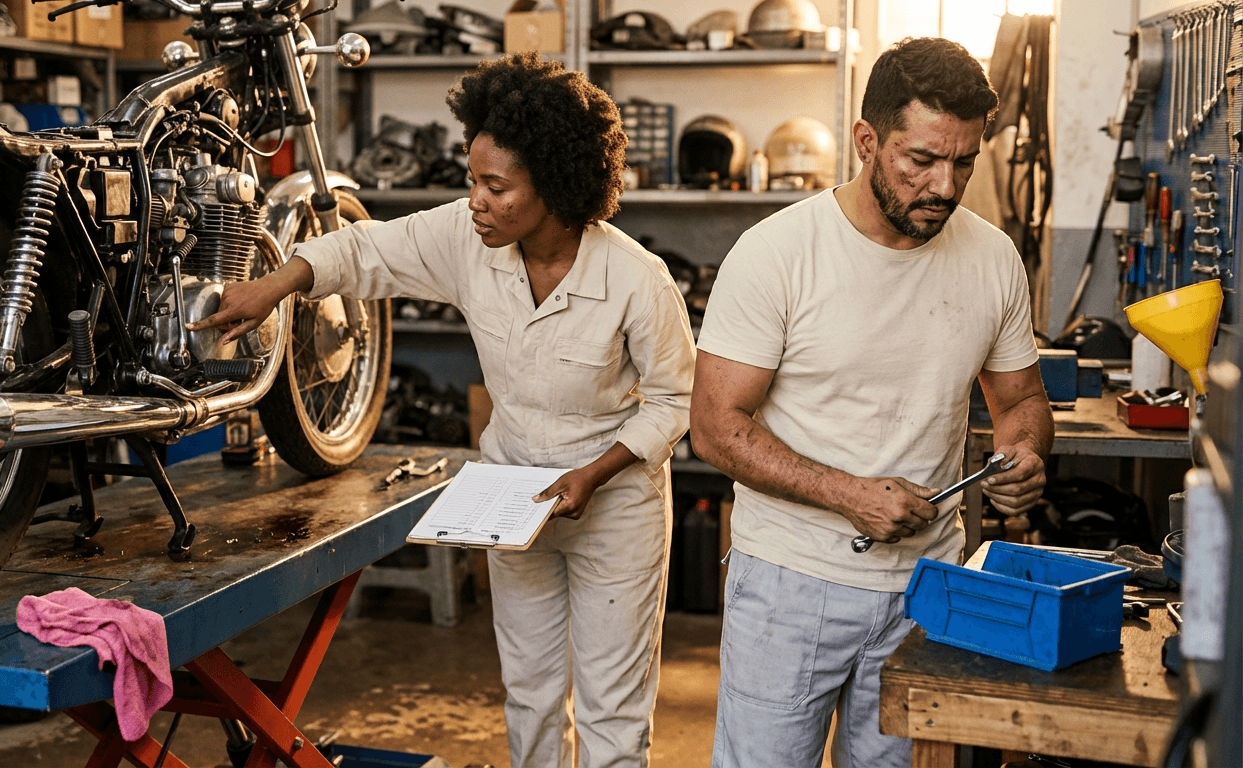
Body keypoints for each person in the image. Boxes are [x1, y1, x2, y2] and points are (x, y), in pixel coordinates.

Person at [190, 52, 696, 768]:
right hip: (516, 494)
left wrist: (595, 472)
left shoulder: (635, 280)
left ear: (554, 185)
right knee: (530, 692)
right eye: (471, 181)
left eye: (496, 187)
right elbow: (367, 249)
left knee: (614, 707)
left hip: (614, 506)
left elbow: (675, 402)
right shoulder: (470, 238)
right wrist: (278, 285)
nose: (477, 202)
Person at [689, 37, 1054, 768]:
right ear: (866, 140)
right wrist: (848, 494)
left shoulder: (992, 259)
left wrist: (1026, 451)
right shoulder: (777, 254)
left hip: (927, 588)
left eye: (963, 163)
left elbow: (1021, 400)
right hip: (791, 585)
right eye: (920, 160)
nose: (944, 187)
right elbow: (715, 429)